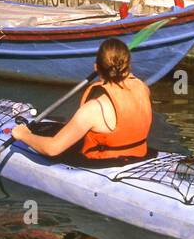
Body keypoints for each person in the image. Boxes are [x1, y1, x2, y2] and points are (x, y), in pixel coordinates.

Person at [11, 38, 152, 161]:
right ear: (127, 67)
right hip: (139, 153)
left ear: (96, 67)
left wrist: (23, 135)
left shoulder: (93, 109)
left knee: (51, 137)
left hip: (104, 163)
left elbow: (52, 149)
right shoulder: (143, 88)